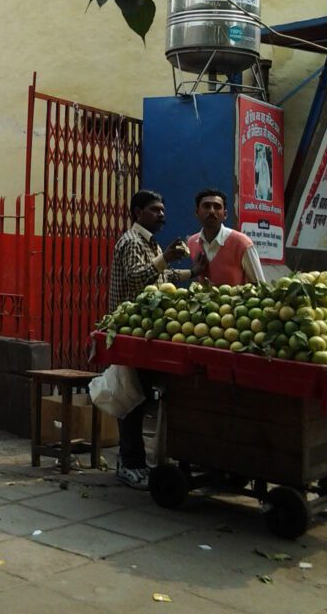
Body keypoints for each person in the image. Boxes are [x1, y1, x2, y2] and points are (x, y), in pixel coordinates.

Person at [109, 189, 190, 489]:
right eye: (155, 210)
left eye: (162, 210)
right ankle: (129, 464)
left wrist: (190, 273)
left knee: (142, 394)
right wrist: (165, 257)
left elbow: (159, 278)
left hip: (145, 331)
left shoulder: (148, 241)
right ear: (137, 213)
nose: (162, 215)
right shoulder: (131, 241)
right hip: (130, 331)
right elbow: (135, 278)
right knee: (133, 398)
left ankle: (141, 460)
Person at [187, 188, 265, 286]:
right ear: (197, 213)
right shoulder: (192, 243)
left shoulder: (242, 243)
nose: (211, 211)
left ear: (225, 214)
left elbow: (260, 286)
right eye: (206, 206)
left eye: (217, 207)